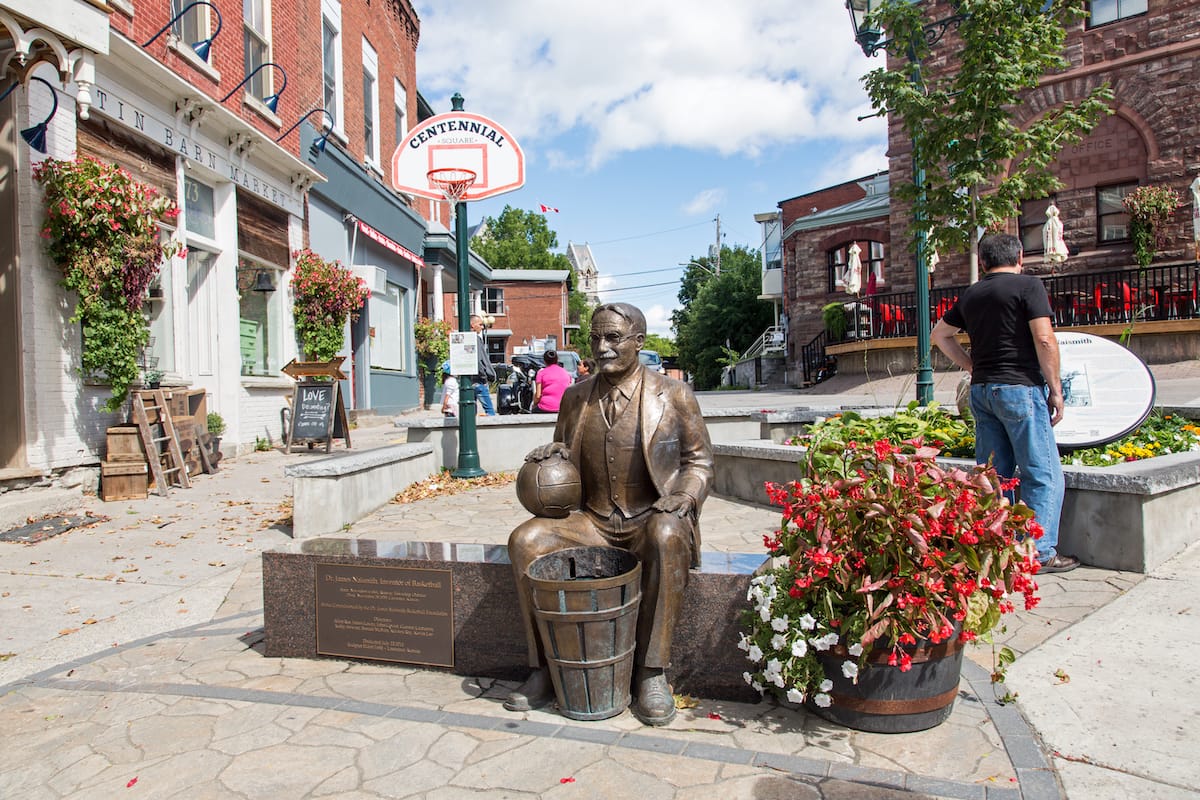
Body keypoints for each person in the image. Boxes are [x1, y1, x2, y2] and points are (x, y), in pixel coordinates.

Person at [504, 303, 714, 726]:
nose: (602, 347)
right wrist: (553, 458)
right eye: (596, 338)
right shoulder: (575, 397)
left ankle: (652, 673)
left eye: (613, 338)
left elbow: (700, 463)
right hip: (593, 522)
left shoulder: (675, 394)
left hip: (649, 516)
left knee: (667, 535)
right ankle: (542, 668)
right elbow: (566, 460)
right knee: (525, 541)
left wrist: (686, 498)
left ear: (639, 342)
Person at [931, 233, 1078, 574]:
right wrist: (1055, 389)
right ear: (1020, 257)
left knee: (993, 475)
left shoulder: (972, 293)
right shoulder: (1028, 287)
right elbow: (1044, 337)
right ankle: (1037, 553)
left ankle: (999, 549)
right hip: (1019, 388)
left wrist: (973, 366)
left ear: (982, 262)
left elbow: (940, 336)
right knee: (1042, 473)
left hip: (982, 391)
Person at [469, 315, 497, 416]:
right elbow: (479, 360)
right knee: (490, 411)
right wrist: (484, 376)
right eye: (480, 324)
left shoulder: (466, 338)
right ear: (472, 325)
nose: (482, 327)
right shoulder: (476, 339)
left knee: (471, 411)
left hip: (469, 380)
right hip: (479, 380)